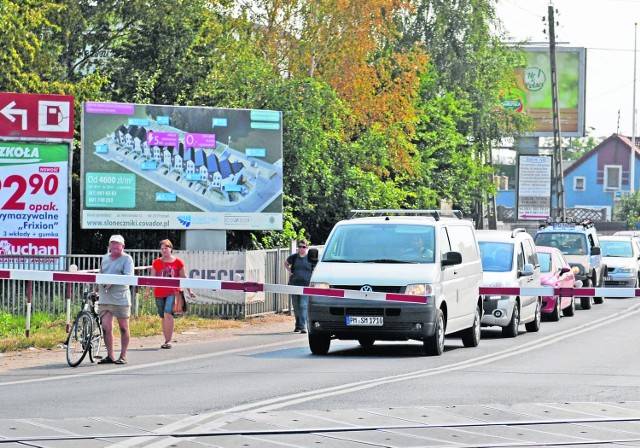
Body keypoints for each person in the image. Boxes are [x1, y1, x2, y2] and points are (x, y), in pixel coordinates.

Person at [144, 239, 195, 349]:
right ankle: (166, 339)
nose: (163, 250)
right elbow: (151, 278)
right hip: (159, 292)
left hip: (173, 291)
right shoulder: (156, 262)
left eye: (166, 248)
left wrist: (189, 290)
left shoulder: (178, 262)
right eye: (161, 248)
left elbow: (183, 277)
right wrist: (147, 292)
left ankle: (169, 340)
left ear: (171, 249)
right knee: (163, 316)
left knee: (168, 313)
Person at [96, 235, 135, 365]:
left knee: (123, 327)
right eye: (112, 243)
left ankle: (123, 355)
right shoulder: (105, 258)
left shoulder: (127, 259)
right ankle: (110, 355)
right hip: (105, 297)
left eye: (117, 244)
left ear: (123, 246)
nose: (114, 246)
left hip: (120, 298)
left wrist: (112, 282)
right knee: (106, 327)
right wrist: (96, 289)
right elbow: (100, 274)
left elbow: (128, 276)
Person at [284, 239, 314, 333]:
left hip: (306, 285)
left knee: (303, 305)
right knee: (296, 306)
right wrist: (290, 271)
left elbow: (315, 267)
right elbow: (286, 263)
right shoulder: (294, 257)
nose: (301, 249)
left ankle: (303, 326)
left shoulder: (310, 258)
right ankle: (298, 325)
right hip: (294, 284)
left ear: (307, 248)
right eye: (300, 247)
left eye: (303, 247)